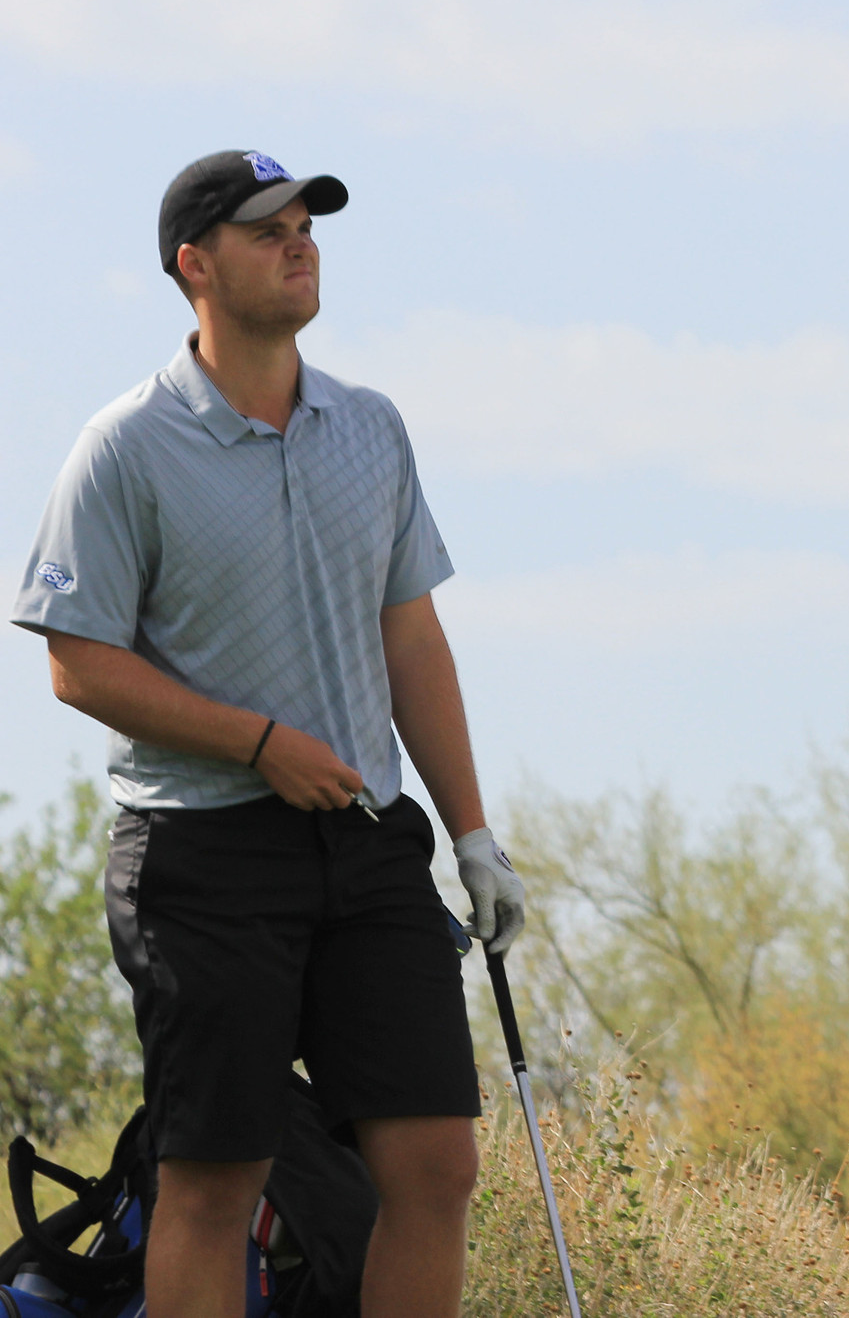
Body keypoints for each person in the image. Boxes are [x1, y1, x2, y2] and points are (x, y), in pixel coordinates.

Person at [11, 150, 528, 1318]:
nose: (299, 243)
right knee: (215, 1178)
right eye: (265, 230)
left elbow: (412, 643)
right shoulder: (126, 445)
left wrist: (475, 833)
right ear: (194, 265)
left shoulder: (371, 426)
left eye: (305, 225)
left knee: (436, 1164)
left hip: (365, 844)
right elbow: (75, 659)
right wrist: (257, 742)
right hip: (199, 853)